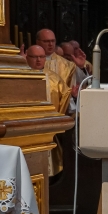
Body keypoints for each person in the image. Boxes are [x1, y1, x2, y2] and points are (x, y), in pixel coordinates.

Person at [26, 44, 70, 176]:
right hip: (26, 129)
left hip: (48, 129)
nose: (38, 60)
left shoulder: (55, 79)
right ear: (27, 58)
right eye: (34, 57)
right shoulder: (19, 77)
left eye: (41, 57)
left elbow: (65, 99)